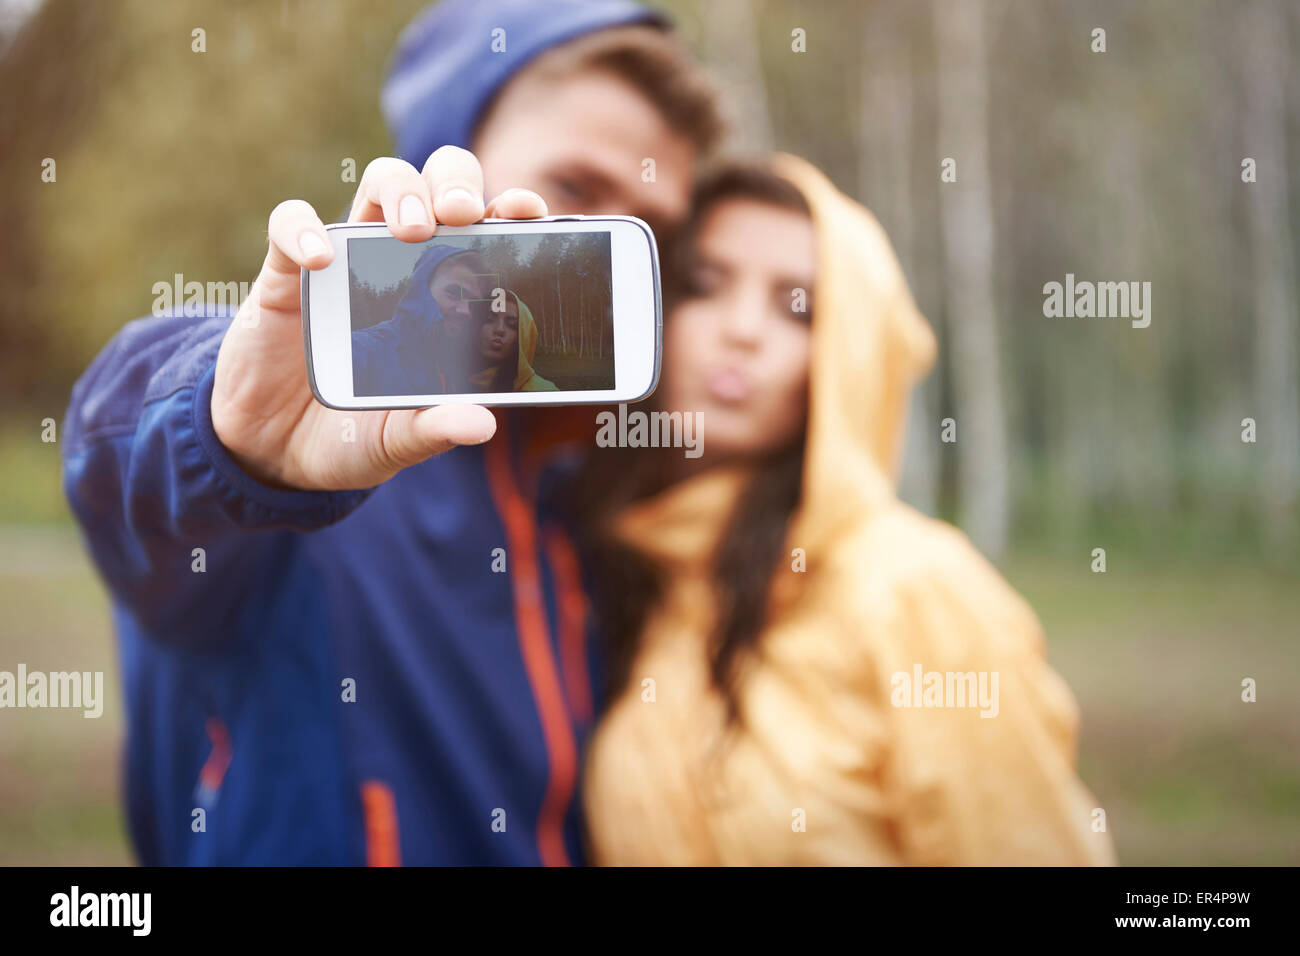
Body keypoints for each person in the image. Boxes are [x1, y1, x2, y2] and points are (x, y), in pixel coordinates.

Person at [61, 0, 722, 865]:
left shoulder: (581, 501)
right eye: (576, 190)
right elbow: (117, 454)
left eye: (649, 225)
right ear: (439, 166)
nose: (598, 246)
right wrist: (228, 439)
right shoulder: (301, 461)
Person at [574, 157, 1118, 866]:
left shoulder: (916, 590)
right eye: (703, 285)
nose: (741, 330)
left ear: (851, 354)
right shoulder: (638, 578)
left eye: (797, 307)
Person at [351, 246, 491, 396]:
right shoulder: (360, 350)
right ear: (420, 291)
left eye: (473, 302)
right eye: (453, 293)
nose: (465, 310)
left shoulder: (455, 367)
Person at [469, 291, 559, 393]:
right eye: (489, 320)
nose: (499, 329)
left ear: (523, 338)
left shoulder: (543, 393)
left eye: (512, 325)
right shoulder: (453, 383)